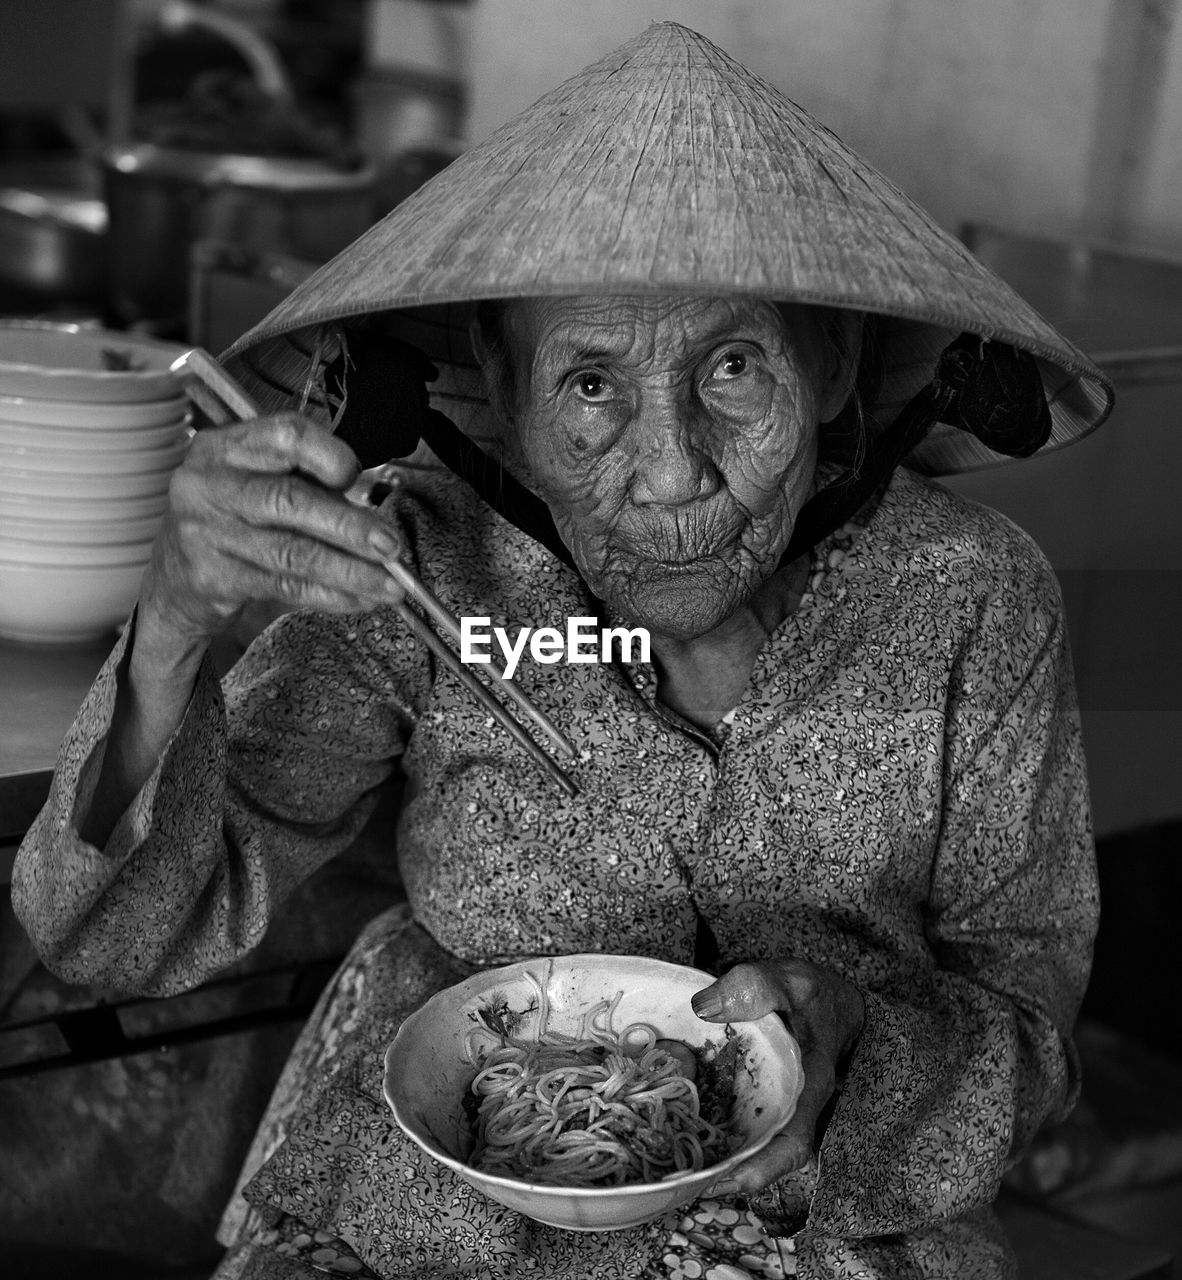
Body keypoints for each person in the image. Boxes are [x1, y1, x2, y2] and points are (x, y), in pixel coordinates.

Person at [13, 23, 1111, 1280]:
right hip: (423, 1220)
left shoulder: (969, 591)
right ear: (509, 387)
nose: (669, 467)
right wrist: (172, 627)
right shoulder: (410, 563)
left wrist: (863, 1042)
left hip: (830, 1223)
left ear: (834, 364)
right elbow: (114, 944)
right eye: (591, 384)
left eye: (736, 367)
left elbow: (1029, 1013)